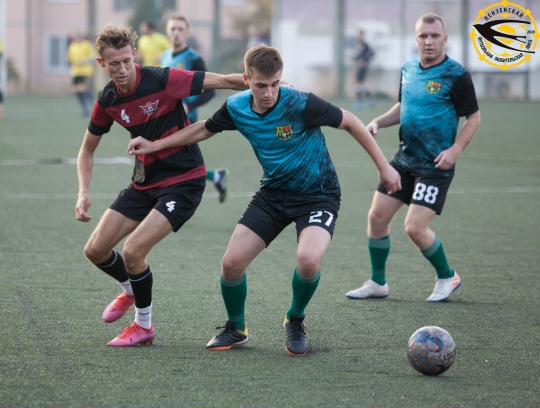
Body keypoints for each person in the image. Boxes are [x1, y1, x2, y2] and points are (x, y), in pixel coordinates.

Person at [127, 45, 402, 356]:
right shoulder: (236, 107)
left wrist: (384, 166)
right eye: (261, 85)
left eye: (275, 84)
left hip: (318, 194)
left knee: (308, 260)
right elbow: (203, 129)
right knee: (231, 264)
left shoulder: (300, 103)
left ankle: (295, 319)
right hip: (273, 194)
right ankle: (236, 328)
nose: (269, 92)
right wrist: (155, 145)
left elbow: (350, 120)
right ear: (246, 80)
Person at [75, 23, 248, 347]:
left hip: (183, 180)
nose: (122, 69)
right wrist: (83, 191)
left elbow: (224, 81)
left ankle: (143, 327)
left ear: (134, 54)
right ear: (101, 63)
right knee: (95, 250)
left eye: (127, 61)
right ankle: (130, 289)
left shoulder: (163, 79)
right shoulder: (108, 99)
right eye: (114, 64)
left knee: (132, 252)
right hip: (144, 182)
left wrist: (269, 86)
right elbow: (87, 150)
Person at [346, 13, 481, 303]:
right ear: (416, 39)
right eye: (423, 36)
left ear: (445, 39)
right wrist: (379, 122)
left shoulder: (457, 75)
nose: (429, 41)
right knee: (377, 218)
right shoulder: (408, 68)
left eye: (434, 36)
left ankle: (447, 276)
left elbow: (473, 118)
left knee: (414, 228)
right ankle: (378, 283)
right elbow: (404, 105)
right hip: (404, 160)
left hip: (435, 166)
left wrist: (455, 150)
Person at [161, 14, 229, 203]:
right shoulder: (165, 56)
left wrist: (189, 105)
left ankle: (170, 200)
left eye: (180, 29)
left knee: (171, 159)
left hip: (186, 117)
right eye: (173, 28)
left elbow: (210, 92)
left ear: (187, 33)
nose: (176, 33)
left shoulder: (194, 59)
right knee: (175, 160)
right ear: (168, 32)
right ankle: (216, 176)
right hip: (167, 116)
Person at [67, 32, 96, 116]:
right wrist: (69, 60)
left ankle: (94, 103)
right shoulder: (72, 46)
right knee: (76, 90)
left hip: (85, 71)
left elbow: (93, 57)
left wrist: (84, 61)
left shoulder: (87, 45)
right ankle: (85, 108)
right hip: (75, 71)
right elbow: (69, 58)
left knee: (82, 88)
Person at [352, 30, 375, 110]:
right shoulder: (358, 44)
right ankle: (367, 100)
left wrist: (365, 60)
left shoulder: (364, 44)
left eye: (360, 35)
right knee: (360, 84)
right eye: (357, 35)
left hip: (362, 67)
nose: (358, 36)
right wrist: (354, 57)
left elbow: (371, 53)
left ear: (362, 35)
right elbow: (359, 54)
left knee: (358, 83)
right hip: (359, 66)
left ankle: (362, 101)